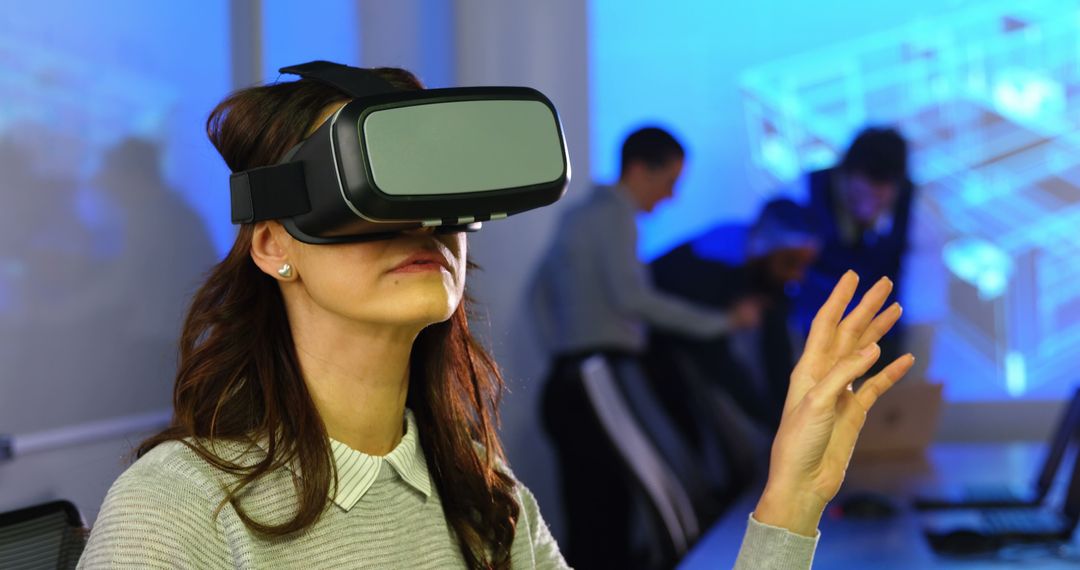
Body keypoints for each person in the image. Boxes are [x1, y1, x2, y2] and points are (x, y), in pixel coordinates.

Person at [79, 67, 914, 570]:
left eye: (441, 192)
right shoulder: (181, 506)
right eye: (376, 188)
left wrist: (790, 502)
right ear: (273, 245)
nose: (422, 224)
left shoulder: (484, 498)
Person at [649, 198, 820, 431]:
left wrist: (787, 417)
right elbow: (714, 356)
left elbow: (776, 350)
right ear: (766, 249)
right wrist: (770, 421)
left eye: (803, 265)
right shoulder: (714, 264)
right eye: (791, 263)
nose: (798, 276)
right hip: (653, 350)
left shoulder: (766, 270)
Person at [792, 127, 914, 365]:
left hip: (879, 343)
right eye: (863, 189)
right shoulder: (802, 194)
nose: (870, 202)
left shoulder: (916, 210)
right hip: (811, 336)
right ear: (845, 173)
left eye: (881, 192)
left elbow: (926, 305)